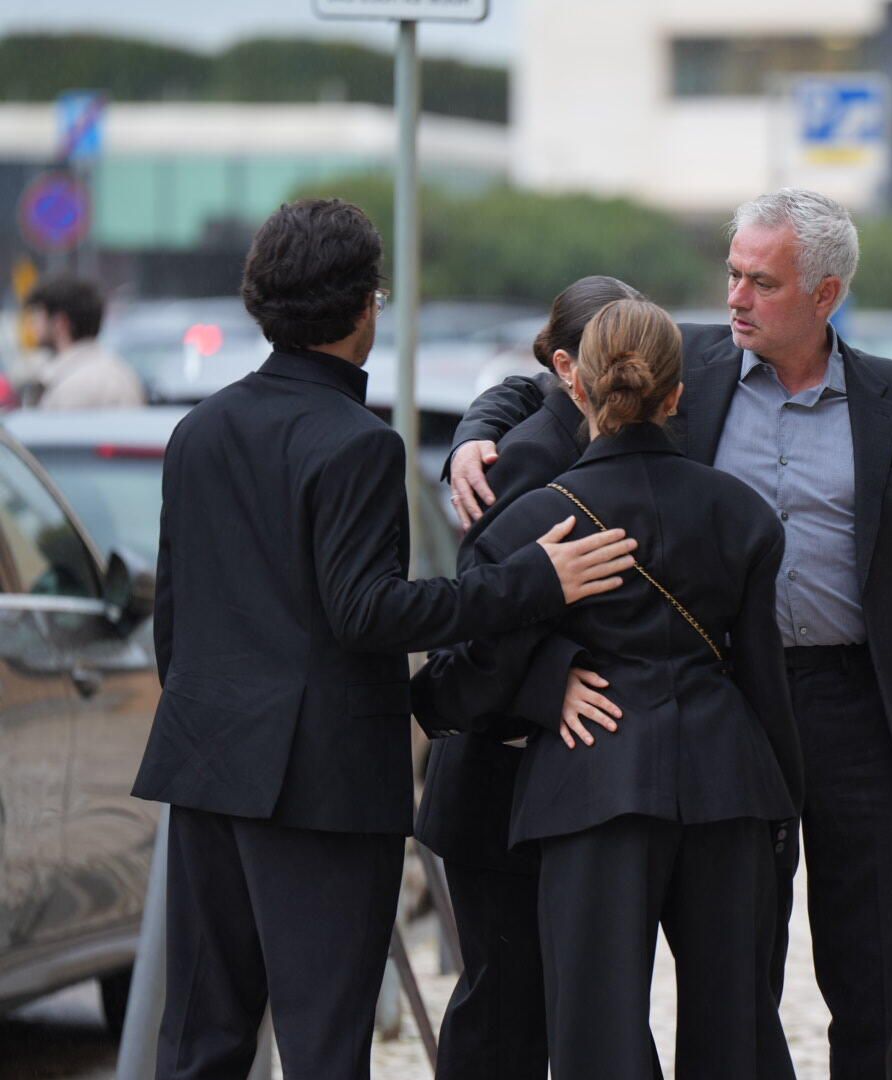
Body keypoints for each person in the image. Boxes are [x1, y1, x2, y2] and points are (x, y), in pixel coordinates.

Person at [443, 188, 892, 1080]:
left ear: (826, 296)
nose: (736, 297)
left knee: (871, 972)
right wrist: (474, 437)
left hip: (859, 708)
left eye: (762, 282)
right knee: (739, 980)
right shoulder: (684, 372)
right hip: (730, 711)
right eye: (732, 274)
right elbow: (547, 383)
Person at [130, 198, 637, 1080]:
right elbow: (366, 612)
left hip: (206, 762)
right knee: (325, 1043)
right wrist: (532, 581)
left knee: (201, 1039)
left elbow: (175, 619)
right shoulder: (357, 445)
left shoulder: (197, 428)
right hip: (323, 788)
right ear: (367, 306)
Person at [417, 298, 802, 1079]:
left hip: (589, 788)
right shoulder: (744, 514)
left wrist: (476, 692)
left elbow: (465, 684)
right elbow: (766, 680)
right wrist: (784, 811)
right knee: (736, 1036)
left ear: (579, 388)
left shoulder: (532, 522)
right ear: (677, 396)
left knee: (599, 1040)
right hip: (729, 788)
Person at [412, 275, 643, 1080]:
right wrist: (549, 681)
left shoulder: (620, 432)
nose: (633, 366)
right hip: (498, 785)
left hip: (577, 781)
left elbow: (515, 383)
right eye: (613, 352)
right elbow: (476, 633)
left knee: (566, 1007)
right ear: (572, 369)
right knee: (503, 1012)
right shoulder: (531, 460)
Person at [21, 275, 146, 409]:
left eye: (38, 316)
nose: (33, 325)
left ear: (60, 323)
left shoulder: (71, 387)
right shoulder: (122, 372)